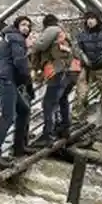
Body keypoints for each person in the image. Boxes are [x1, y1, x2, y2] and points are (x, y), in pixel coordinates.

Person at [0, 15, 35, 169]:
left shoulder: (11, 37)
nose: (26, 28)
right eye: (23, 24)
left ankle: (18, 147)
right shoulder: (16, 39)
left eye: (28, 26)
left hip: (6, 79)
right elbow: (20, 63)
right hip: (6, 80)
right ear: (17, 26)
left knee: (24, 110)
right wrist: (28, 84)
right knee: (7, 117)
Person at [30, 14, 79, 147]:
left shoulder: (52, 29)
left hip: (58, 70)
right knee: (62, 99)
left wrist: (32, 42)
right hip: (72, 70)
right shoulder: (64, 33)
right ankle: (64, 129)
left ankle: (48, 136)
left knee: (48, 104)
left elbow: (40, 45)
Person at [73, 9, 102, 131]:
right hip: (86, 69)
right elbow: (77, 48)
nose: (90, 21)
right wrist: (82, 56)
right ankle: (75, 121)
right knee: (81, 95)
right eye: (88, 19)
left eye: (92, 18)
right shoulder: (82, 34)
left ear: (98, 20)